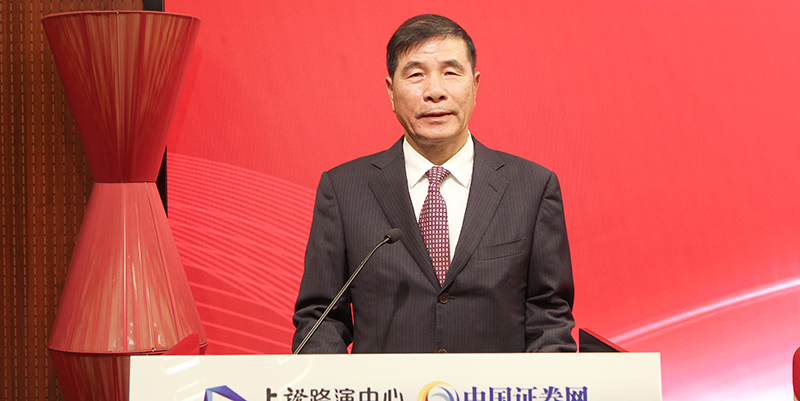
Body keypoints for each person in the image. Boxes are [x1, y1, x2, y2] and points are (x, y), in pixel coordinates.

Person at [292, 14, 575, 353]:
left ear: (475, 85)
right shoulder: (344, 190)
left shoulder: (532, 187)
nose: (435, 92)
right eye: (416, 75)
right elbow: (321, 319)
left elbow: (549, 318)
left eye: (451, 73)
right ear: (391, 91)